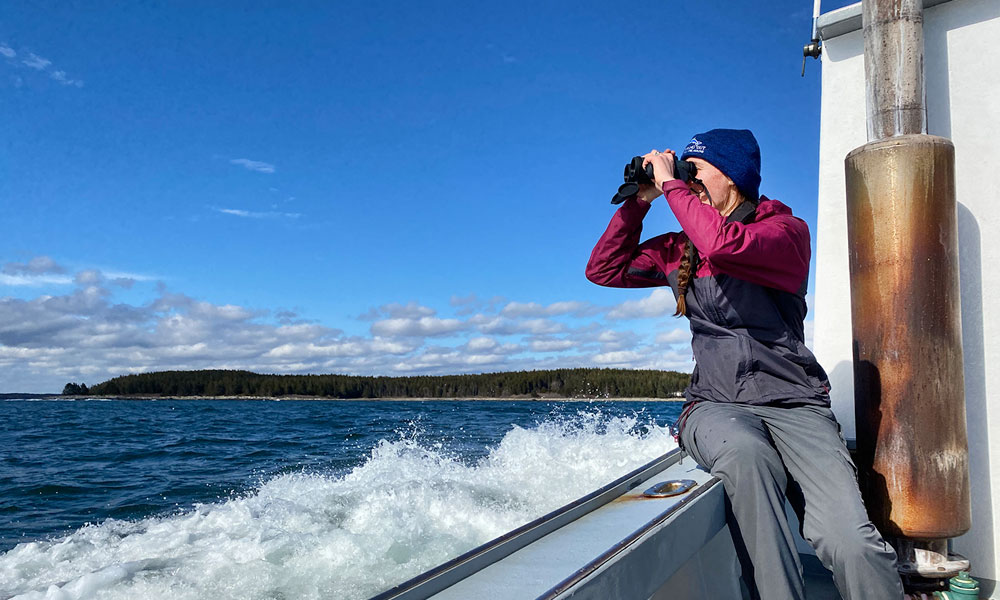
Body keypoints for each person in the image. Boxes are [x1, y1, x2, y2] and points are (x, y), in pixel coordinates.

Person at [585, 129, 903, 600]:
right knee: (747, 455)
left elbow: (723, 245)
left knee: (850, 541)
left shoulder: (784, 233)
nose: (687, 181)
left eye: (696, 172)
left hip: (796, 405)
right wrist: (641, 200)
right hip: (714, 405)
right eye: (683, 170)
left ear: (733, 178)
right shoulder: (679, 248)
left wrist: (671, 185)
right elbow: (604, 270)